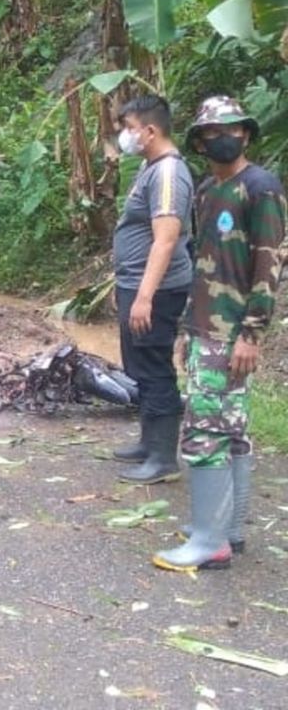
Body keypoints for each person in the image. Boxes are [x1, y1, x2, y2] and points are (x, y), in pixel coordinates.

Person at [153, 96, 287, 572]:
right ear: (200, 141)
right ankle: (227, 527)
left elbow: (268, 264)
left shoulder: (261, 187)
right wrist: (189, 326)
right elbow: (203, 264)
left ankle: (210, 541)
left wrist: (252, 332)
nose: (221, 138)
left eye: (230, 129)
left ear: (246, 134)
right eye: (211, 133)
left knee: (207, 430)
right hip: (205, 325)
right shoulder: (209, 189)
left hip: (233, 331)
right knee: (230, 426)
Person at [109, 96, 194, 485]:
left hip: (156, 289)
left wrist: (144, 296)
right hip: (136, 283)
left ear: (150, 130)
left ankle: (162, 458)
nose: (124, 136)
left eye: (128, 128)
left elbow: (165, 239)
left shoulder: (168, 174)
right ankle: (149, 442)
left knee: (155, 364)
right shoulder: (151, 167)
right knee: (139, 364)